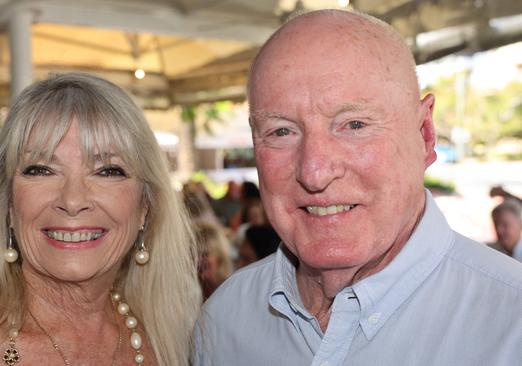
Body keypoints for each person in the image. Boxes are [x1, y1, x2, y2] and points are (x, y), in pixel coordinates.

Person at [193, 9, 522, 366]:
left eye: (354, 124)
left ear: (424, 135)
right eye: (281, 131)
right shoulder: (223, 321)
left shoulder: (511, 326)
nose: (315, 173)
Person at [0, 73, 201, 365]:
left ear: (145, 206)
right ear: (7, 202)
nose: (73, 200)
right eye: (40, 170)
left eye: (108, 170)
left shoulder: (178, 339)